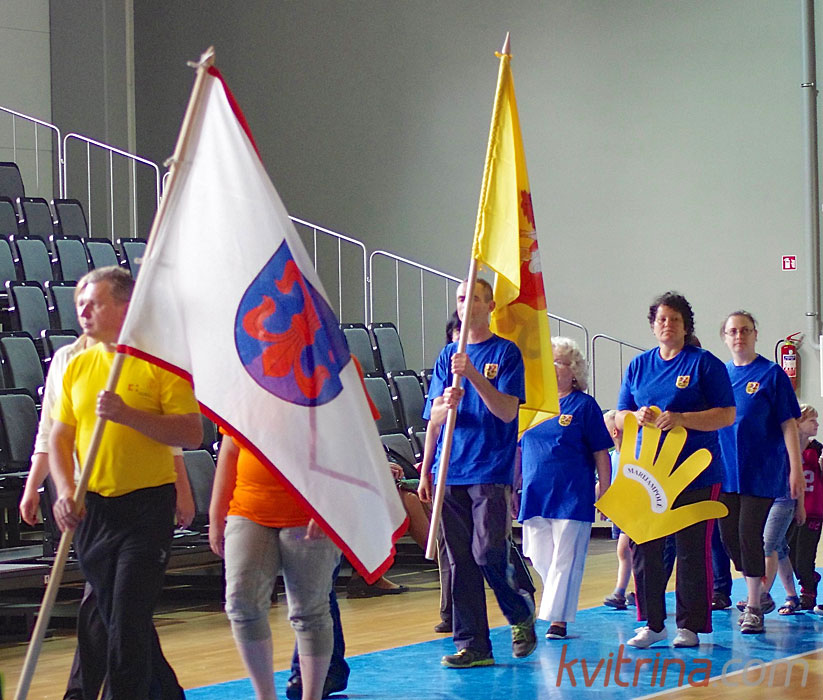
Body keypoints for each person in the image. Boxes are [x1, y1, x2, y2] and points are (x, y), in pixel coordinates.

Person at [49, 266, 203, 700]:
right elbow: (59, 438)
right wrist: (65, 490)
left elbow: (191, 433)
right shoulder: (77, 366)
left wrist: (127, 414)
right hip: (95, 509)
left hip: (146, 508)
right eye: (80, 304)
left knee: (128, 618)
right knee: (109, 614)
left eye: (94, 304)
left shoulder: (161, 364)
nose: (84, 312)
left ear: (125, 307)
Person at [418, 278, 535, 668]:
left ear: (490, 306)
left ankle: (519, 611)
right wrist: (427, 467)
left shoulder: (505, 353)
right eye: (460, 298)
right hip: (449, 469)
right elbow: (434, 416)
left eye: (474, 298)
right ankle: (473, 644)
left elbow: (506, 411)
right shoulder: (447, 355)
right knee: (460, 562)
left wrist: (473, 376)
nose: (466, 304)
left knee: (487, 552)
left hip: (488, 468)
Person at [617, 291, 735, 649]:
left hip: (695, 473)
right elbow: (619, 415)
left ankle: (690, 626)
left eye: (675, 320)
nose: (667, 325)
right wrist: (634, 416)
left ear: (686, 327)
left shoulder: (704, 364)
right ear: (653, 326)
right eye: (661, 319)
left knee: (691, 550)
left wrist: (682, 419)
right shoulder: (639, 366)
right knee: (644, 546)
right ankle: (652, 624)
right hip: (647, 474)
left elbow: (726, 414)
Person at [209, 432, 341, 700]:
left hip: (309, 512)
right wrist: (216, 513)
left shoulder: (332, 400)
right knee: (241, 604)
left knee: (309, 611)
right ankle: (264, 696)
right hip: (247, 509)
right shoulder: (242, 402)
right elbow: (230, 451)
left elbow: (349, 446)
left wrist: (330, 502)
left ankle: (312, 696)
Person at [518, 338, 612, 639]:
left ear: (574, 371)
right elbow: (518, 448)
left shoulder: (584, 405)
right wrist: (511, 485)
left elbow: (600, 452)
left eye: (557, 363)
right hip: (535, 493)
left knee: (565, 559)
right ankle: (555, 605)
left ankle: (557, 620)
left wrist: (605, 488)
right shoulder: (531, 405)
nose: (550, 368)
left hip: (572, 493)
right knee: (537, 554)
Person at [716, 310, 803, 633]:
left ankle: (754, 605)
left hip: (762, 472)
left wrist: (795, 469)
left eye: (745, 330)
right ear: (725, 337)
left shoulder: (771, 374)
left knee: (749, 534)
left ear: (755, 334)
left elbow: (788, 424)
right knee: (729, 537)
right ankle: (758, 588)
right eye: (733, 331)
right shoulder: (720, 376)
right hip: (726, 471)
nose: (739, 336)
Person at [783, 404, 823, 612]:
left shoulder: (818, 450)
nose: (817, 424)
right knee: (788, 554)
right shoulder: (787, 449)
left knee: (804, 556)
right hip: (790, 510)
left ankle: (808, 591)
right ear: (798, 424)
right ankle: (807, 580)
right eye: (812, 420)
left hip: (813, 510)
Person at [602, 410, 635, 610]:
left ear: (614, 432)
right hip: (619, 511)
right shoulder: (612, 457)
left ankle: (620, 592)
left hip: (631, 511)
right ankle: (636, 592)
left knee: (624, 549)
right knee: (627, 552)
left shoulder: (630, 457)